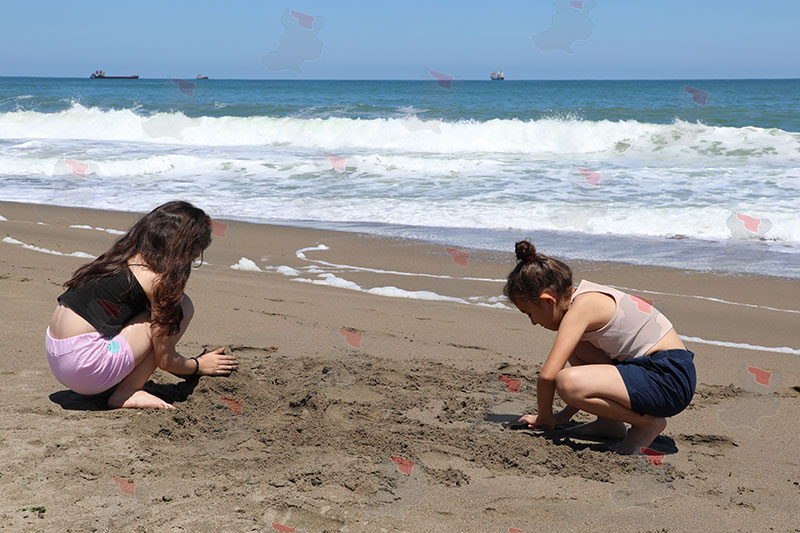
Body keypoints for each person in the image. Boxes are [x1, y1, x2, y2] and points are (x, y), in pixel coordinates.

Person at [505, 240, 696, 454]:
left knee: (566, 381)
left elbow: (547, 376)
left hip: (667, 377)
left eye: (530, 314)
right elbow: (599, 372)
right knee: (577, 351)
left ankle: (647, 424)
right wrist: (564, 416)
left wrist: (545, 417)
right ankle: (608, 424)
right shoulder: (583, 297)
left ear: (548, 301)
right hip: (663, 373)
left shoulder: (582, 308)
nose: (533, 322)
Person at [46, 201, 237, 410]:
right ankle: (127, 391)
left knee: (151, 316)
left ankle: (114, 379)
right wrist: (199, 366)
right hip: (85, 367)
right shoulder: (157, 282)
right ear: (184, 252)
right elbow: (165, 361)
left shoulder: (121, 257)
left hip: (57, 357)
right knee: (182, 307)